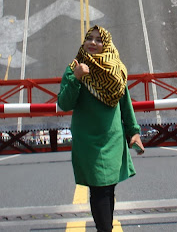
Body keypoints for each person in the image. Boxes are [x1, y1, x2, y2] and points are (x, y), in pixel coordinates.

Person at [58, 25, 144, 232]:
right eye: (90, 38)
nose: (93, 43)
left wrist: (133, 132)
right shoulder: (74, 68)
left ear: (106, 45)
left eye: (99, 40)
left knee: (107, 189)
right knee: (99, 188)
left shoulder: (116, 69)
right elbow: (64, 103)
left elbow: (125, 102)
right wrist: (76, 78)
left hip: (112, 137)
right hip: (88, 140)